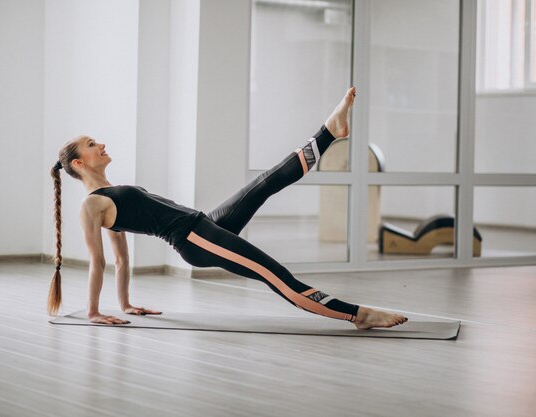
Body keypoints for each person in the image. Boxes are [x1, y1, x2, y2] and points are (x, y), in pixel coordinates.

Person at [47, 87, 408, 330]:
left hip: (204, 223)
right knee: (275, 274)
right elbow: (101, 261)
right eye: (92, 144)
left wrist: (125, 304)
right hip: (193, 239)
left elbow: (124, 261)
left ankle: (330, 131)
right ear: (78, 164)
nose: (101, 144)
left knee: (266, 182)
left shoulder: (110, 191)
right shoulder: (92, 205)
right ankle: (358, 315)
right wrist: (94, 311)